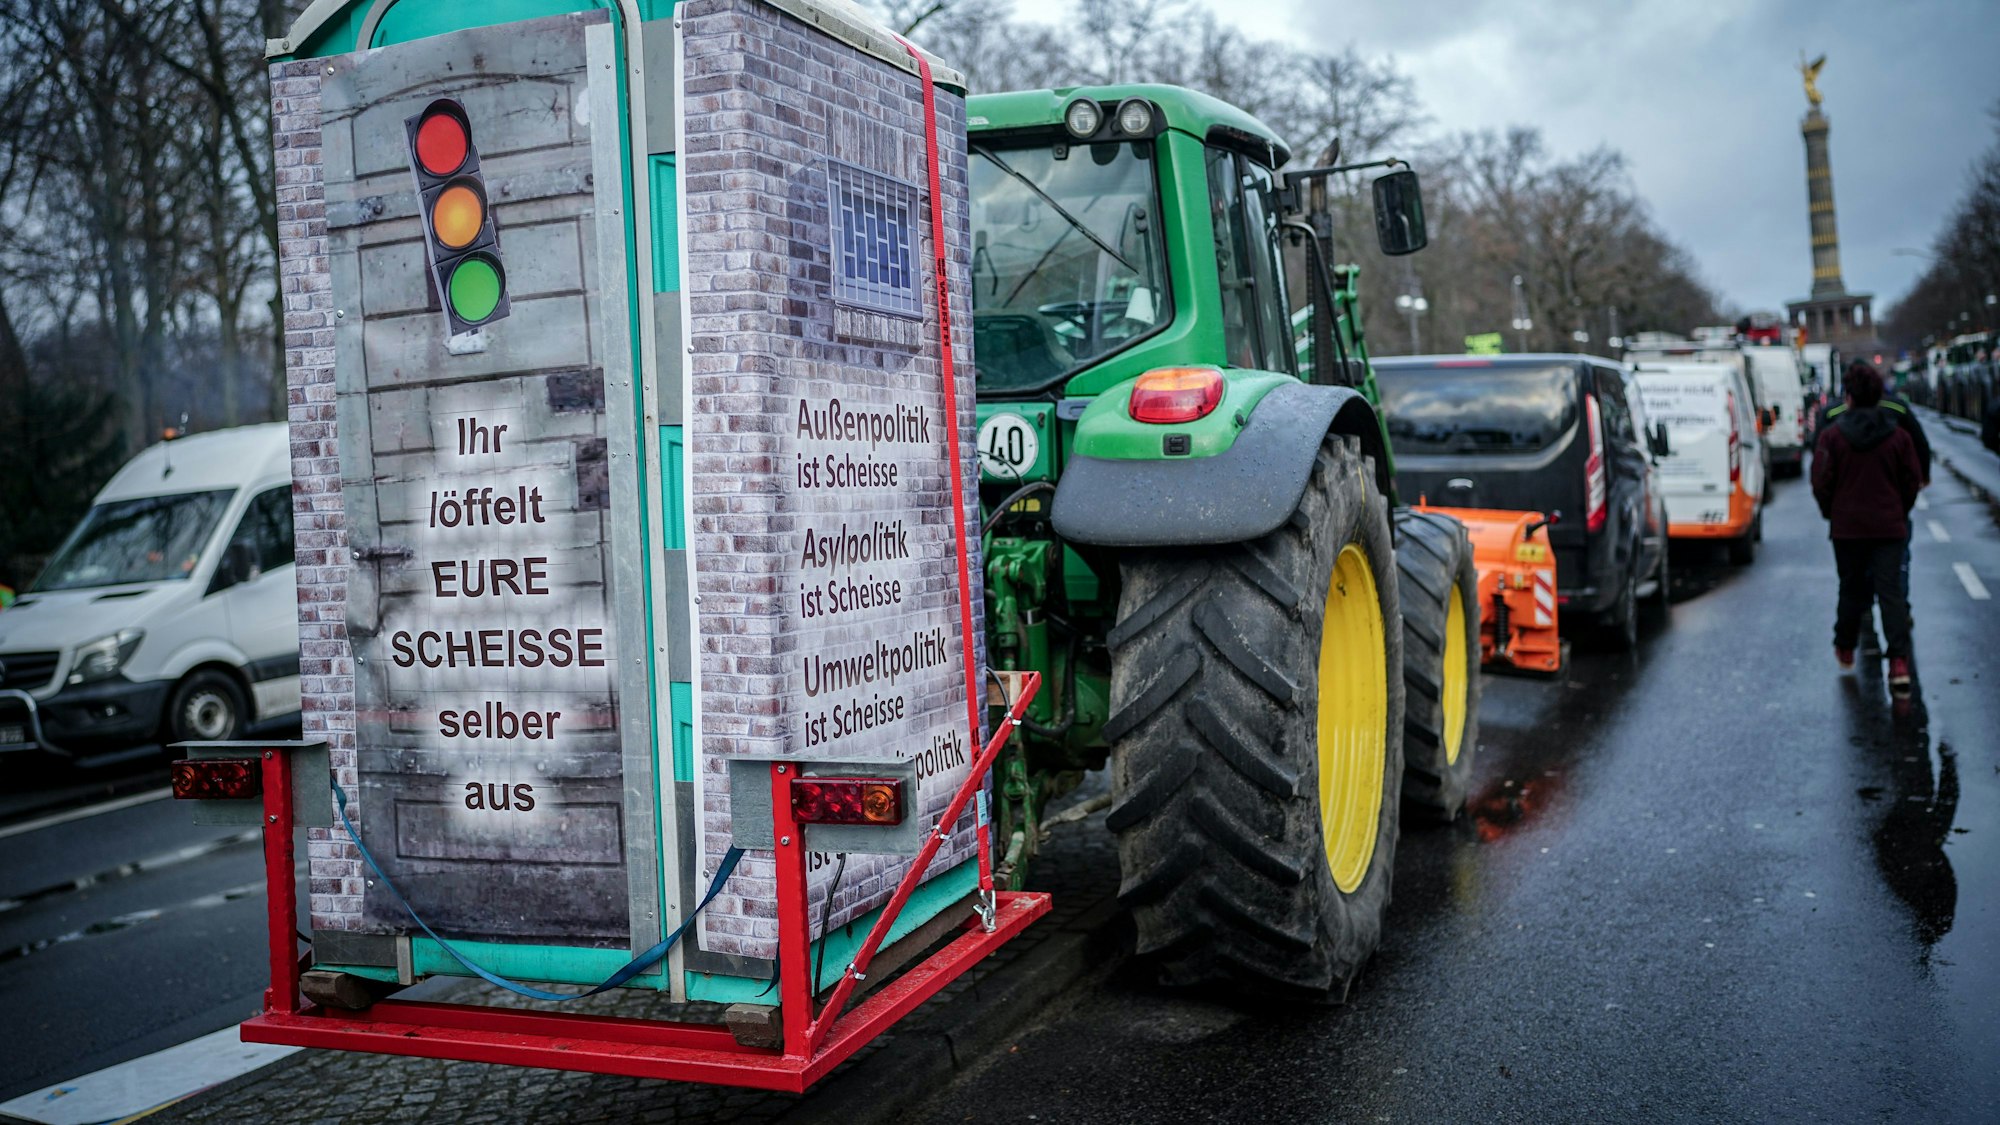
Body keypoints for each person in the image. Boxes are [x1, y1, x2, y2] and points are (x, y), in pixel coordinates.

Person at [1812, 362, 1923, 693]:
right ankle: (1899, 663)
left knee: (1851, 589)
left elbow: (1820, 480)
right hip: (1889, 527)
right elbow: (1911, 480)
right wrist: (1898, 511)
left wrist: (1831, 511)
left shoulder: (1833, 437)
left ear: (1848, 397)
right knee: (1891, 594)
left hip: (1847, 528)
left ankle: (1845, 646)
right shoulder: (1898, 437)